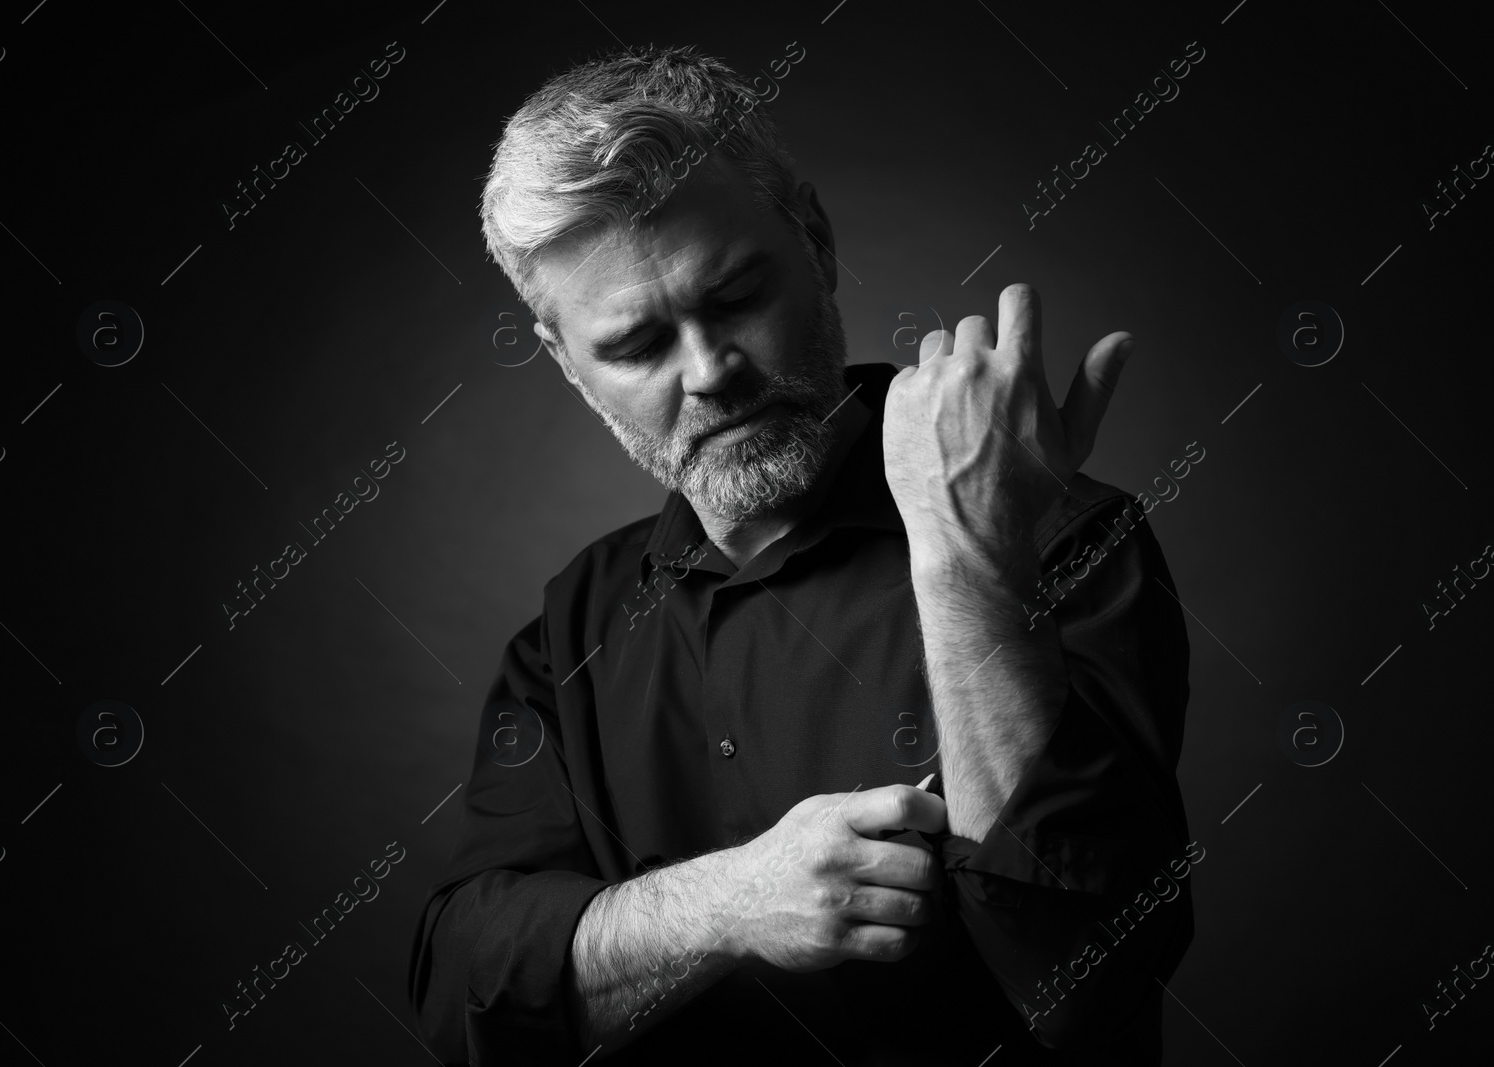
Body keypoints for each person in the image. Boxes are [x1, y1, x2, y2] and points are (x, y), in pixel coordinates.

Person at [408, 44, 1195, 1066]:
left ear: (814, 246)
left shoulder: (1059, 536)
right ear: (566, 363)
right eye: (638, 345)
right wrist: (725, 903)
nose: (710, 372)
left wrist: (966, 560)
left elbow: (1086, 984)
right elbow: (467, 995)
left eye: (735, 297)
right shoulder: (577, 623)